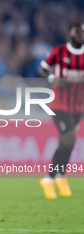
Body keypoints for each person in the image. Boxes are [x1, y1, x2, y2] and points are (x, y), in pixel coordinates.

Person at [39, 23, 84, 199]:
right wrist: (53, 79)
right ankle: (50, 178)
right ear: (71, 33)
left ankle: (60, 176)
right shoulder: (58, 52)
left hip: (78, 106)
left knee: (67, 143)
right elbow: (42, 71)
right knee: (69, 138)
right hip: (58, 103)